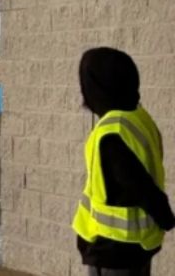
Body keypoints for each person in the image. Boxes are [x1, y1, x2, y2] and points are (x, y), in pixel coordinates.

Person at [74, 47, 175, 275]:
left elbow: (138, 184)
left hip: (113, 251)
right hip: (137, 247)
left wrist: (166, 218)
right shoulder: (139, 118)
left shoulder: (112, 131)